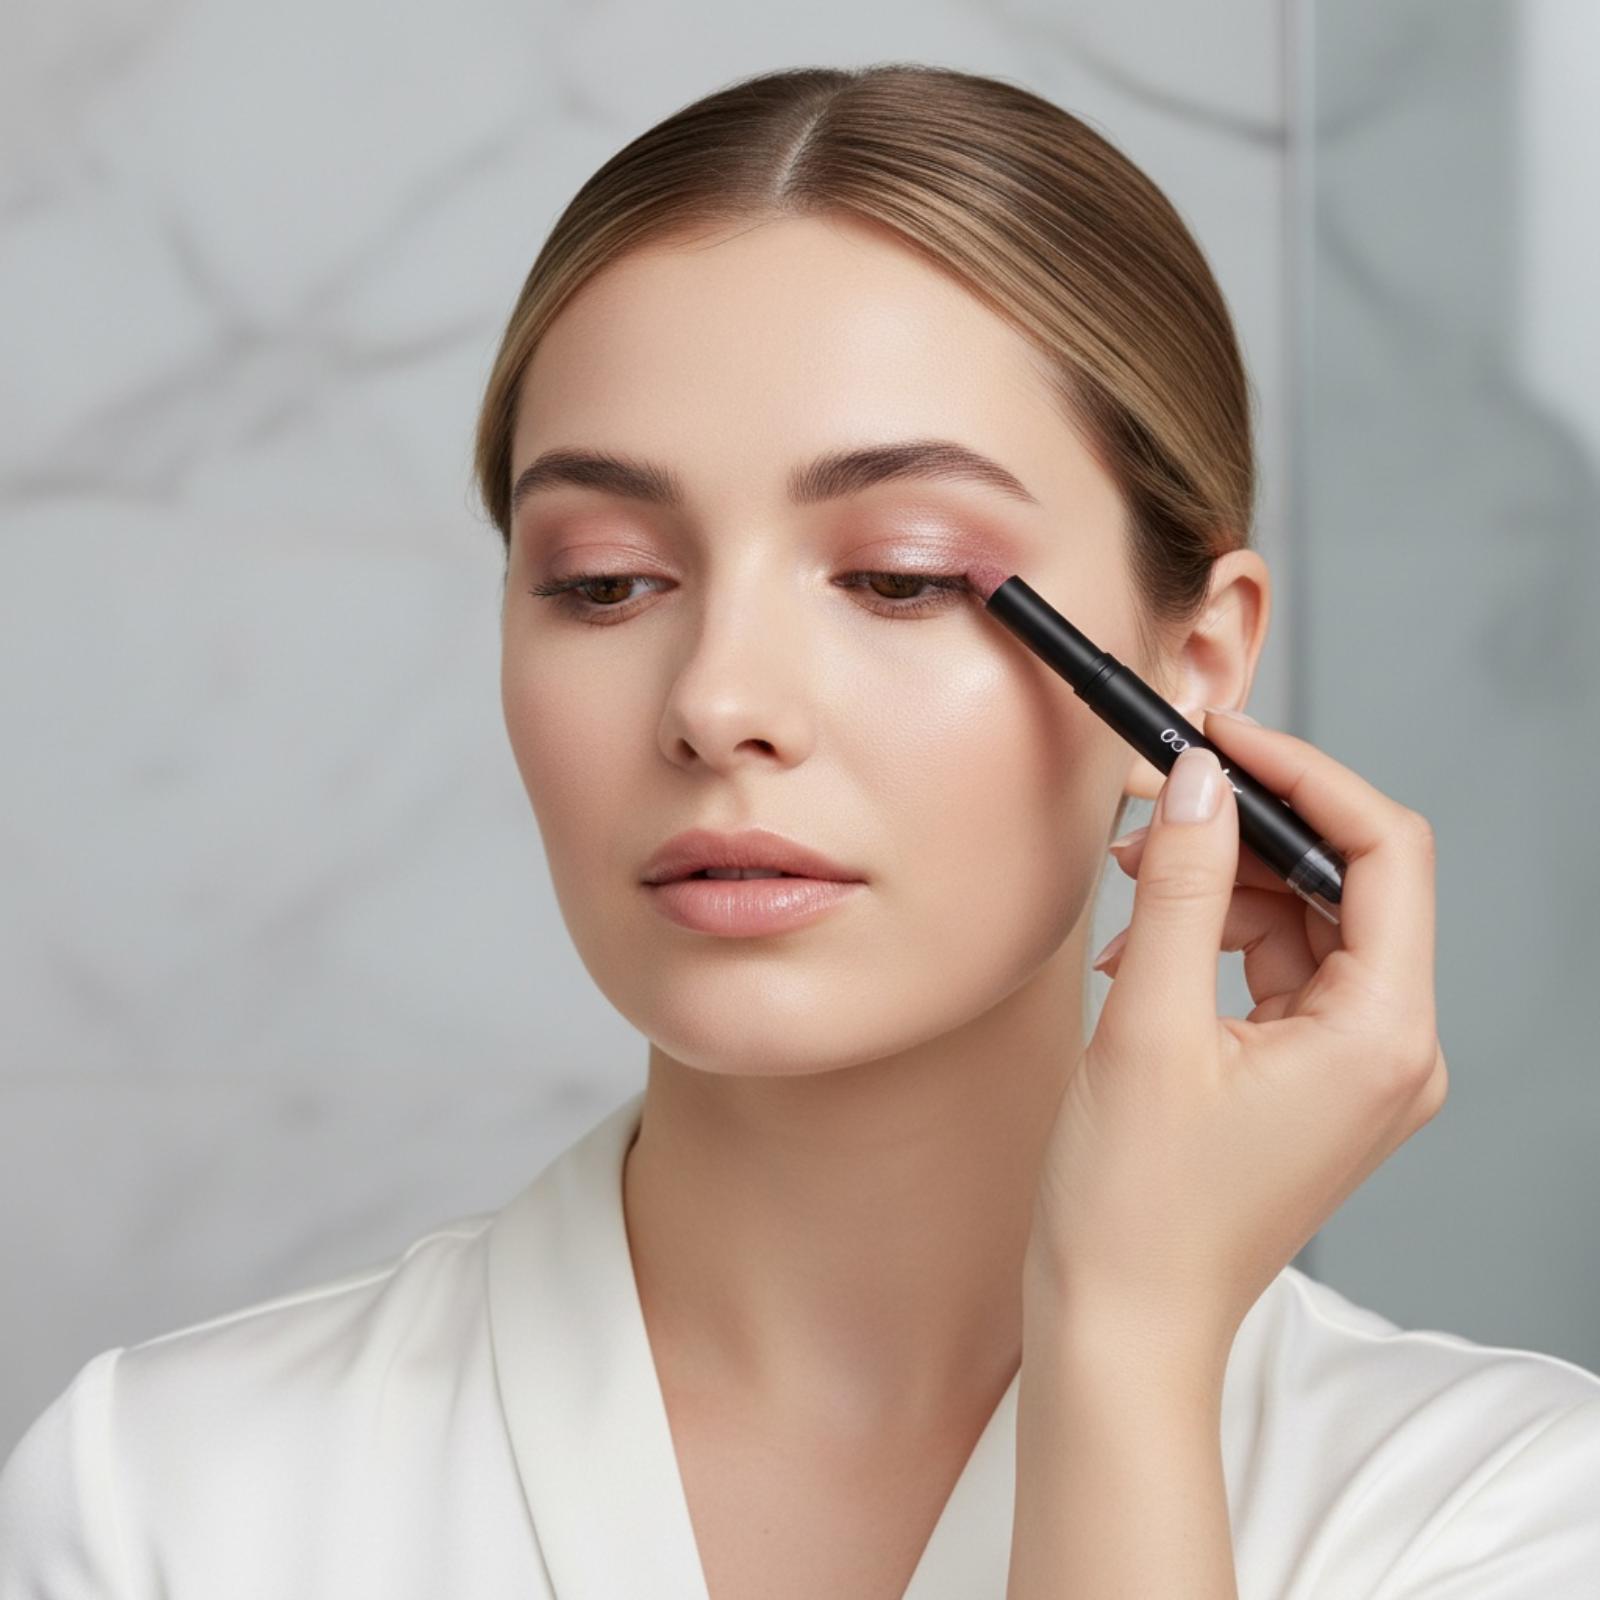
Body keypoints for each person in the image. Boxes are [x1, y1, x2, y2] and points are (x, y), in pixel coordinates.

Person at [3, 62, 1597, 1598]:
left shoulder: (1499, 1513)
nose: (717, 701)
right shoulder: (168, 1500)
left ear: (1191, 666)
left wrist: (1125, 1341)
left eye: (901, 576)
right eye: (604, 582)